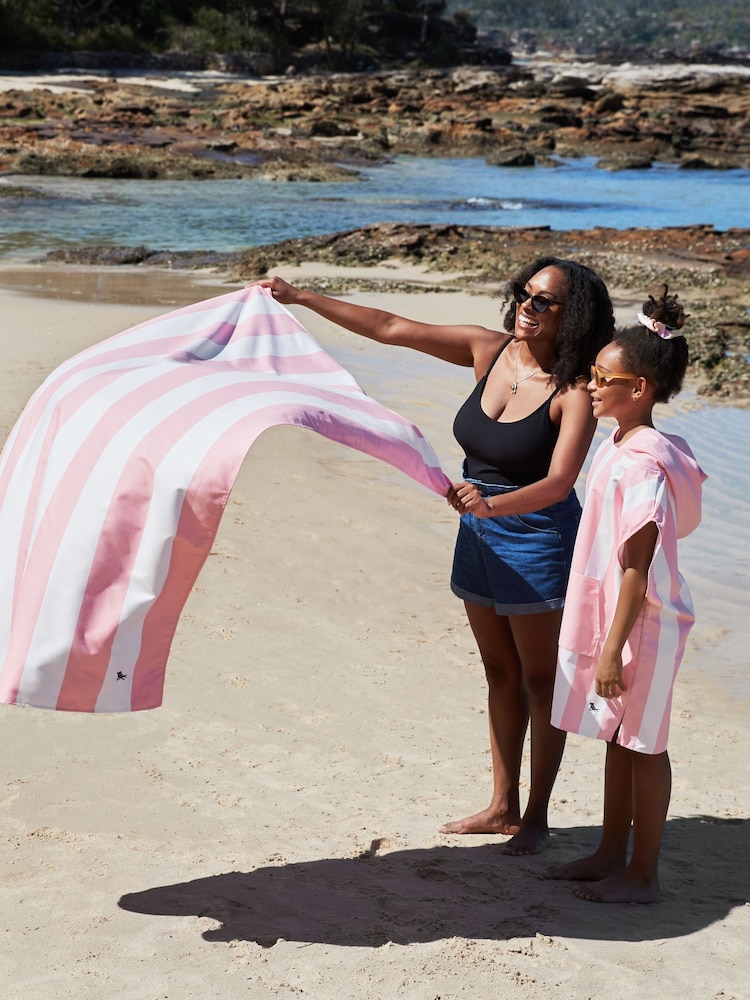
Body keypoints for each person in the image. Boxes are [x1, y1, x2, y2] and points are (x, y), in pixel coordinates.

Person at [257, 257, 615, 855]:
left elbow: (559, 482)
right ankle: (501, 804)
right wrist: (300, 297)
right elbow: (392, 327)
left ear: (572, 315)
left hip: (536, 537)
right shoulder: (488, 350)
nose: (529, 306)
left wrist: (490, 507)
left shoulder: (575, 388)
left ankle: (536, 815)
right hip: (477, 533)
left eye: (546, 301)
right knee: (499, 672)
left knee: (539, 679)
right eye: (525, 293)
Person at [547, 286, 706, 901]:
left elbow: (637, 568)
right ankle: (611, 850)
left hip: (642, 623)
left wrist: (612, 650)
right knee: (616, 735)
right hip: (617, 615)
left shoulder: (644, 464)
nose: (589, 384)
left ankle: (643, 872)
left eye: (600, 377)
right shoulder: (619, 444)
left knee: (644, 744)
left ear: (638, 389)